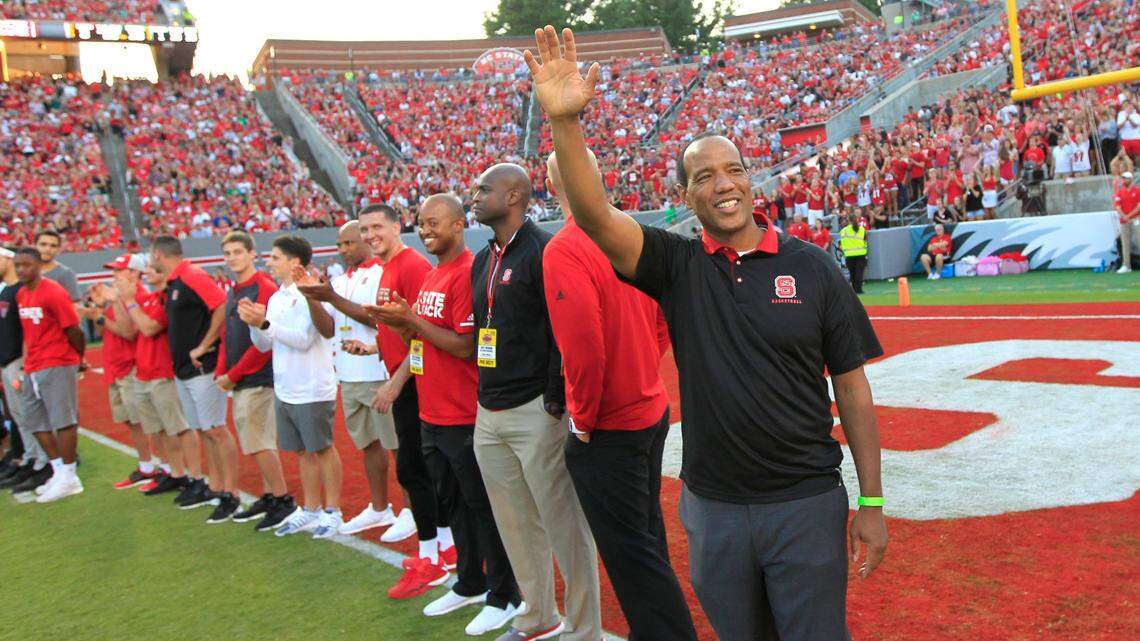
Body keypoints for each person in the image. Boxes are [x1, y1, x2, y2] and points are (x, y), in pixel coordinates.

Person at [528, 27, 887, 641]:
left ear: (751, 181)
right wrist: (567, 122)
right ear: (683, 195)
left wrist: (873, 504)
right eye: (705, 176)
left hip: (805, 502)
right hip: (715, 508)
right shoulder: (677, 264)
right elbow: (591, 215)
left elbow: (852, 389)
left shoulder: (814, 267)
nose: (724, 184)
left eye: (735, 170)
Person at [544, 150, 698, 641]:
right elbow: (661, 319)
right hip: (649, 407)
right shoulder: (631, 232)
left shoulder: (566, 248)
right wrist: (641, 369)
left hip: (611, 424)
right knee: (646, 539)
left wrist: (583, 420)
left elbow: (583, 350)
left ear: (551, 187)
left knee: (632, 553)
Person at [369, 194, 523, 634]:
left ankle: (505, 593)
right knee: (453, 503)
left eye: (434, 222)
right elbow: (424, 341)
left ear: (459, 225)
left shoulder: (467, 272)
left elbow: (464, 346)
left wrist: (412, 323)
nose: (426, 229)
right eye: (421, 222)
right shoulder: (433, 274)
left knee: (483, 507)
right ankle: (470, 581)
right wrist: (402, 324)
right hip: (433, 412)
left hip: (463, 413)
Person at [469, 163, 601, 641]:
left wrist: (552, 399)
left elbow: (561, 332)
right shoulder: (483, 257)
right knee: (515, 525)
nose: (474, 194)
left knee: (564, 526)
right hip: (490, 410)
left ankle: (583, 630)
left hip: (535, 409)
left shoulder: (544, 251)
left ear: (514, 197)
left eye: (484, 189)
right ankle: (537, 616)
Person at [294, 221, 403, 538]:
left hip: (378, 371)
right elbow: (329, 329)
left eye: (348, 243)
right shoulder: (340, 281)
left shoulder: (381, 274)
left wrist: (331, 296)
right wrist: (312, 297)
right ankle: (380, 507)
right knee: (368, 446)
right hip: (349, 374)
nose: (342, 249)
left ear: (366, 240)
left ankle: (410, 510)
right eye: (339, 244)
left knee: (396, 446)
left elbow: (376, 318)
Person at [359, 204, 451, 559]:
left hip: (417, 382)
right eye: (365, 230)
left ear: (397, 227)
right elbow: (402, 329)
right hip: (408, 378)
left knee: (416, 468)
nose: (370, 236)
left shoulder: (411, 266)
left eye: (377, 227)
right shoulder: (389, 267)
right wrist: (373, 348)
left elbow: (426, 333)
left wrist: (397, 382)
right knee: (417, 468)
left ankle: (435, 552)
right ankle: (442, 546)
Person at [240, 235, 343, 538]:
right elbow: (262, 345)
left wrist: (266, 325)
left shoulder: (312, 292)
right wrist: (254, 322)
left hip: (312, 386)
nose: (269, 262)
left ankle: (333, 510)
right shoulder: (276, 297)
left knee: (322, 448)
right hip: (285, 385)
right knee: (301, 452)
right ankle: (311, 509)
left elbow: (304, 338)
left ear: (294, 262)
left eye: (275, 257)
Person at [150, 236, 241, 516]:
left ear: (158, 255)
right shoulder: (177, 281)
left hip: (203, 367)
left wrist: (204, 345)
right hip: (185, 369)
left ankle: (231, 492)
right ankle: (215, 486)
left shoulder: (191, 275)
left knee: (215, 429)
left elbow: (222, 305)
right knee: (204, 429)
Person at [215, 231, 293, 527]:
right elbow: (228, 334)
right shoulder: (234, 290)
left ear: (251, 254)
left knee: (259, 441)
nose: (232, 257)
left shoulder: (263, 287)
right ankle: (270, 493)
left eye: (237, 251)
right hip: (241, 378)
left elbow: (265, 342)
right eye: (227, 253)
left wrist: (232, 375)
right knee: (254, 439)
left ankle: (281, 498)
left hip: (258, 377)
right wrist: (223, 370)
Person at [116, 263, 203, 504]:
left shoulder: (167, 300)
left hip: (162, 370)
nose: (147, 274)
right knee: (162, 429)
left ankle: (194, 476)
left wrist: (129, 300)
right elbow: (130, 329)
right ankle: (175, 473)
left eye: (153, 269)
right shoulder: (154, 298)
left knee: (180, 427)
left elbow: (149, 327)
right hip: (145, 370)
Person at [13, 247, 86, 503]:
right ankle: (58, 471)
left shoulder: (53, 291)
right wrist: (25, 365)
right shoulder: (22, 293)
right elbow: (28, 333)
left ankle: (69, 475)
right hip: (33, 364)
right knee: (34, 420)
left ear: (38, 266)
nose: (21, 269)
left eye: (26, 265)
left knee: (63, 420)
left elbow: (74, 329)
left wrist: (80, 358)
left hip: (56, 361)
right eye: (17, 265)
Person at [88, 254, 160, 489]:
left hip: (131, 365)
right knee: (130, 420)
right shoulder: (119, 296)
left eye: (120, 271)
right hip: (116, 365)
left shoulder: (139, 296)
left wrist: (104, 311)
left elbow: (128, 331)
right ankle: (146, 465)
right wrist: (99, 309)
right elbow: (105, 332)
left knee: (147, 421)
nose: (115, 275)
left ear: (134, 273)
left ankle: (163, 468)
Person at [0, 247, 52, 494]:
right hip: (9, 362)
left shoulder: (21, 291)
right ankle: (33, 459)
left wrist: (24, 363)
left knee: (33, 415)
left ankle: (45, 462)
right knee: (20, 417)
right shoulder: (9, 292)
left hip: (21, 361)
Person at [34, 230, 80, 302]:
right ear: (34, 246)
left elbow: (74, 305)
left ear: (58, 249)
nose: (48, 249)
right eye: (43, 244)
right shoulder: (24, 272)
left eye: (53, 246)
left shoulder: (66, 274)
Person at [1114, 172, 1140, 273]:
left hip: (1135, 219)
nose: (1124, 181)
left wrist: (1128, 216)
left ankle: (1127, 265)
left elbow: (1139, 206)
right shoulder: (1120, 192)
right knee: (1125, 243)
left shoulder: (1137, 191)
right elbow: (1118, 207)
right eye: (1123, 179)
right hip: (1124, 221)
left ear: (1131, 179)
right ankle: (1126, 265)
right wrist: (1125, 216)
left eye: (1126, 179)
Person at [839, 214, 869, 293]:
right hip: (861, 254)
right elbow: (865, 241)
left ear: (848, 220)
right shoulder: (862, 230)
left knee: (852, 274)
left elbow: (842, 243)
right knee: (859, 273)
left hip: (849, 255)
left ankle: (854, 290)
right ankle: (859, 290)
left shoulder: (843, 231)